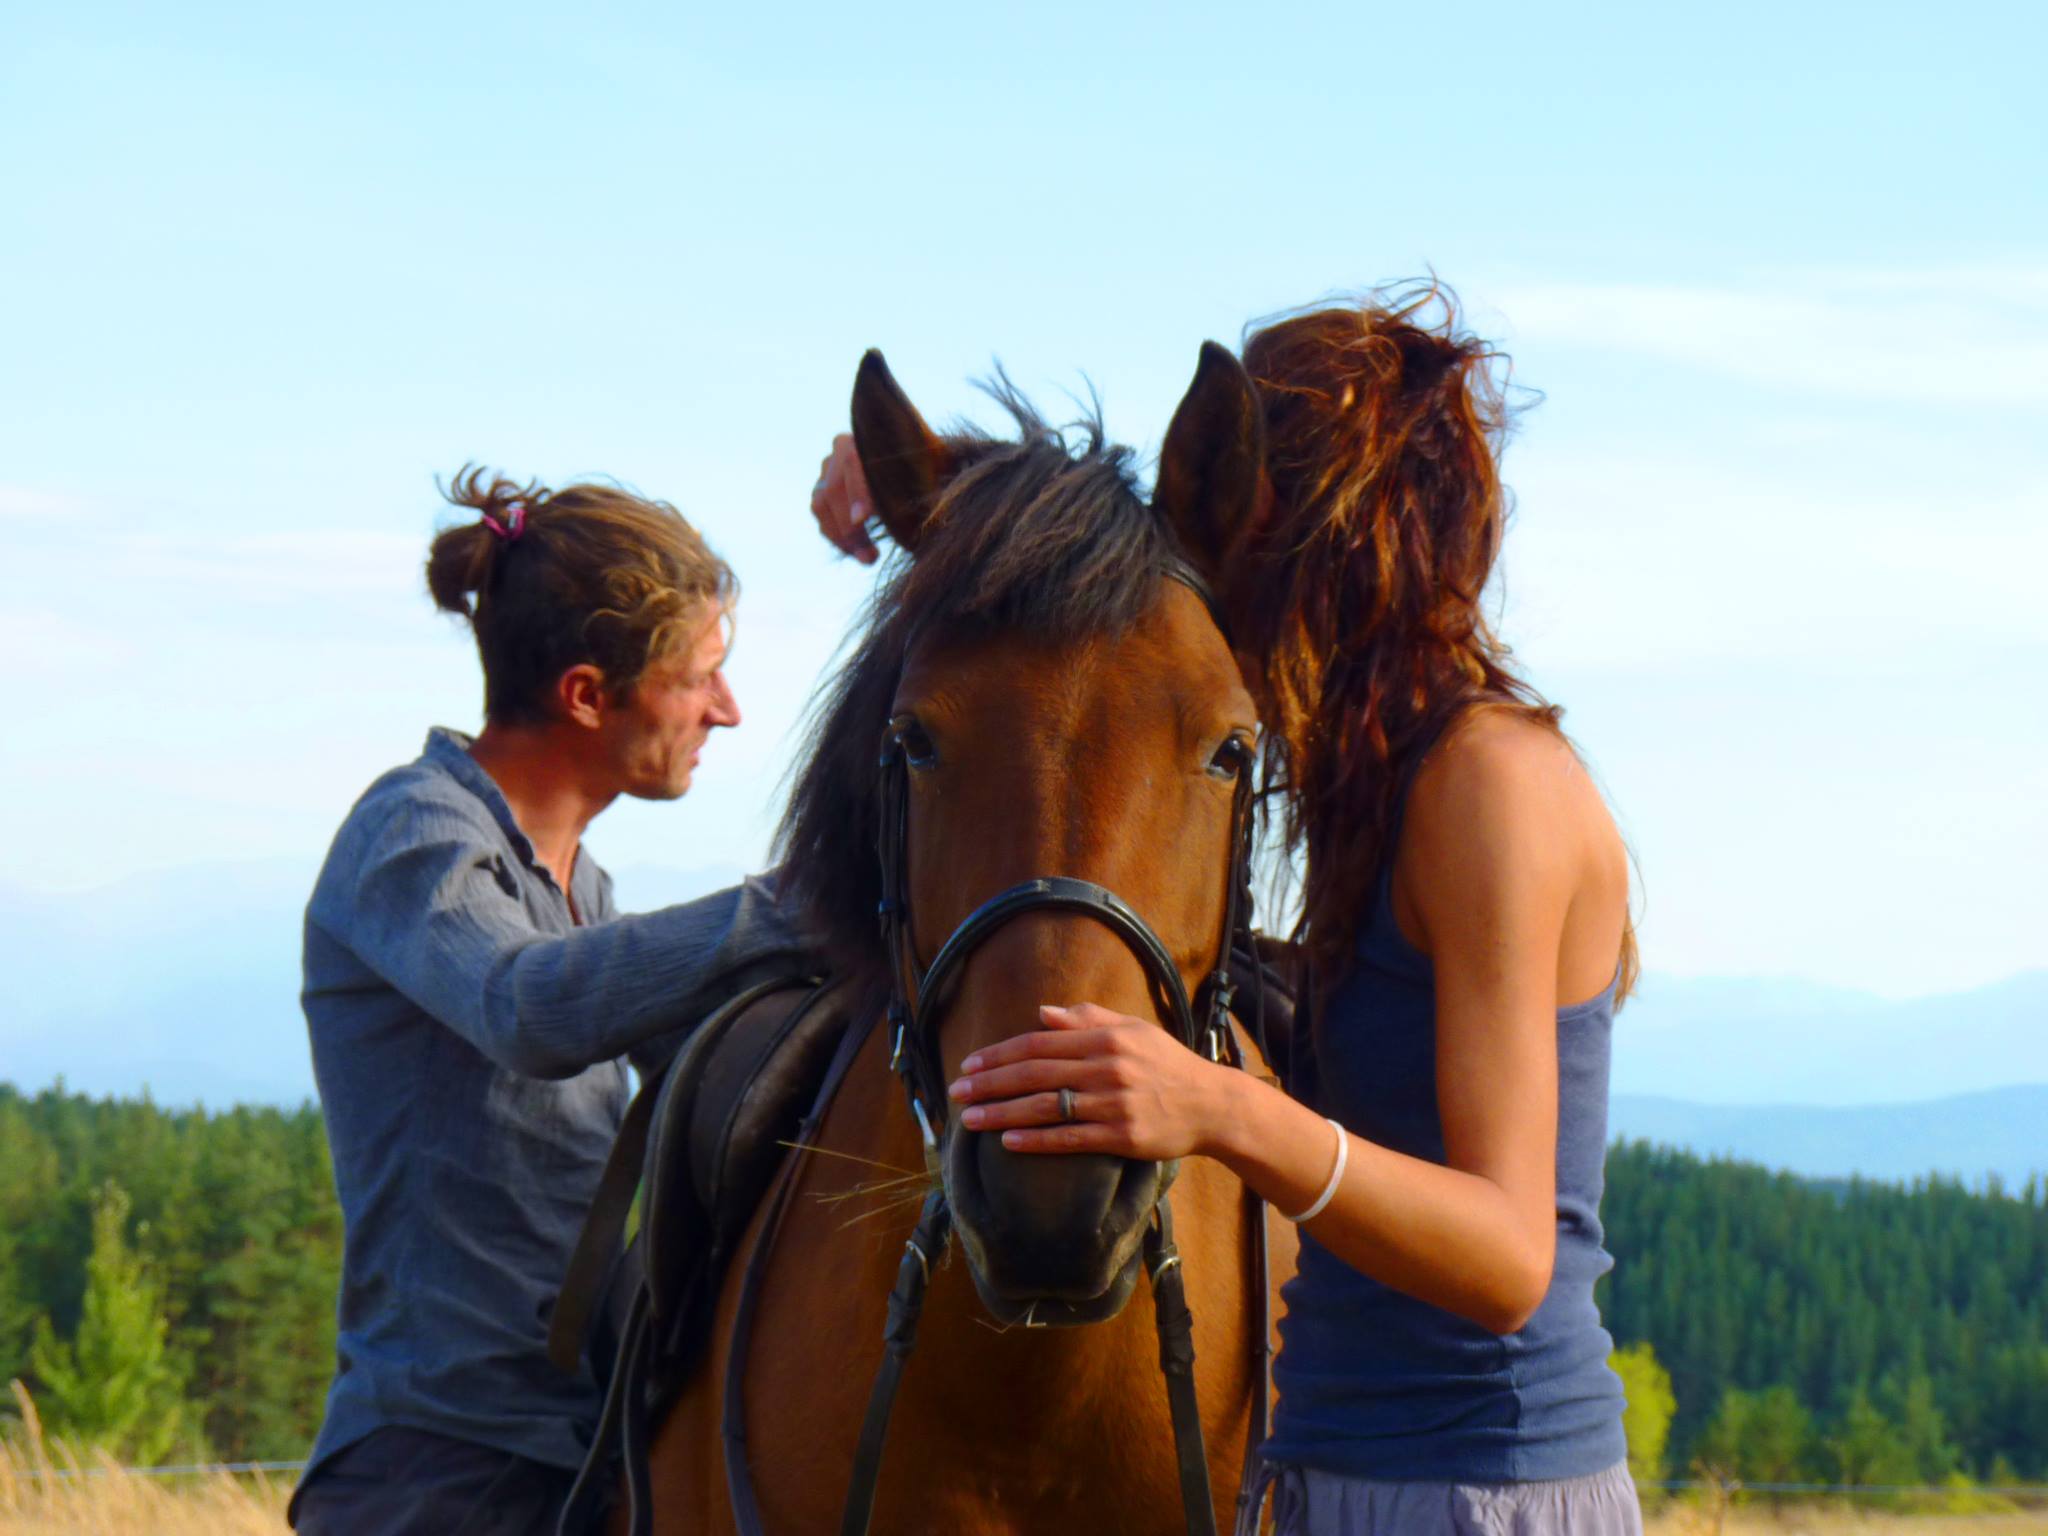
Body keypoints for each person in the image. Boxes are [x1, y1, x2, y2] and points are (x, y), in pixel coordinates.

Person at [810, 290, 1643, 1535]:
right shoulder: (1396, 782)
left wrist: (1218, 1108)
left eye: (1224, 485)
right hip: (1341, 1470)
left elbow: (1509, 1257)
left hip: (1477, 1491)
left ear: (1290, 521)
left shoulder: (1486, 788)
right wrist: (920, 500)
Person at [291, 468, 808, 1536]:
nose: (727, 709)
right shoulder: (414, 835)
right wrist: (792, 906)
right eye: (700, 677)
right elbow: (525, 1008)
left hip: (579, 1446)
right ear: (585, 695)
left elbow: (704, 1049)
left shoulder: (580, 890)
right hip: (439, 1467)